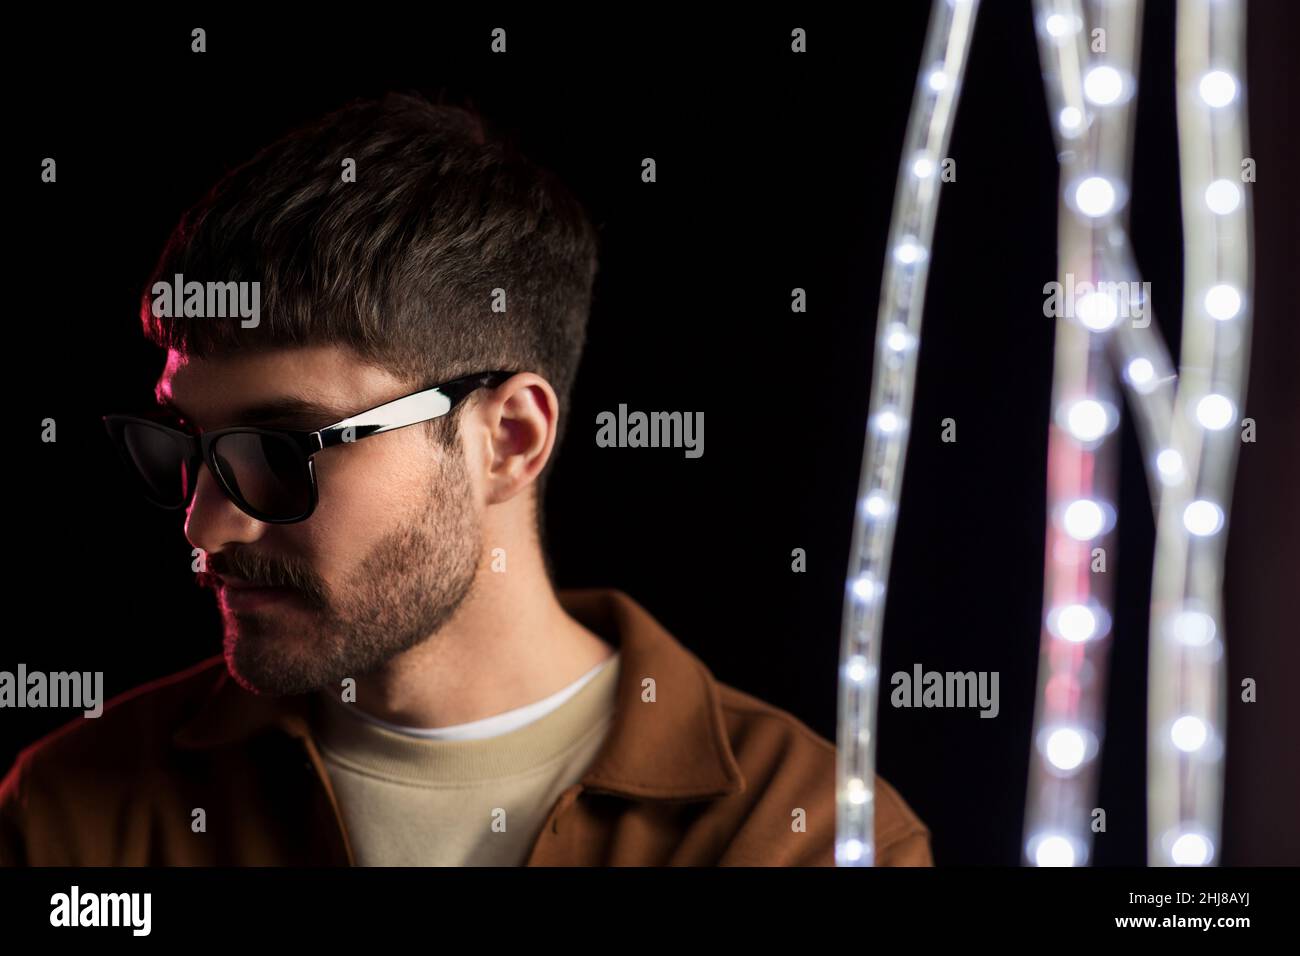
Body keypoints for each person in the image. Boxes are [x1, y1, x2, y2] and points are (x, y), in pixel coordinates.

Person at [0, 93, 931, 866]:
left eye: (281, 451)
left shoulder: (798, 835)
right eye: (187, 445)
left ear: (510, 439)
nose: (205, 528)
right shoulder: (76, 815)